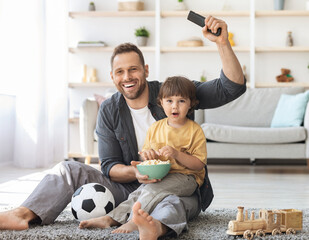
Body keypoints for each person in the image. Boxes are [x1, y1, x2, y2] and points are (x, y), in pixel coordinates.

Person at [0, 16, 246, 239]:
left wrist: (222, 43)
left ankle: (154, 227)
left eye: (133, 69)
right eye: (120, 72)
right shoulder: (109, 109)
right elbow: (109, 167)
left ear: (145, 71)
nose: (127, 77)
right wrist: (136, 173)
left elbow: (231, 87)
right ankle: (24, 214)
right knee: (67, 169)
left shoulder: (173, 94)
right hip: (128, 188)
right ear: (113, 76)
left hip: (178, 186)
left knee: (171, 204)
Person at [79, 76, 207, 233]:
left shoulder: (195, 130)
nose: (175, 106)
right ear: (161, 103)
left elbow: (199, 164)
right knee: (139, 192)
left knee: (152, 191)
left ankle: (134, 221)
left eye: (181, 101)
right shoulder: (155, 128)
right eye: (169, 101)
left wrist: (177, 154)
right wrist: (148, 155)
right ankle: (111, 218)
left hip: (187, 178)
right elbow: (146, 153)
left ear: (190, 104)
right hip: (163, 176)